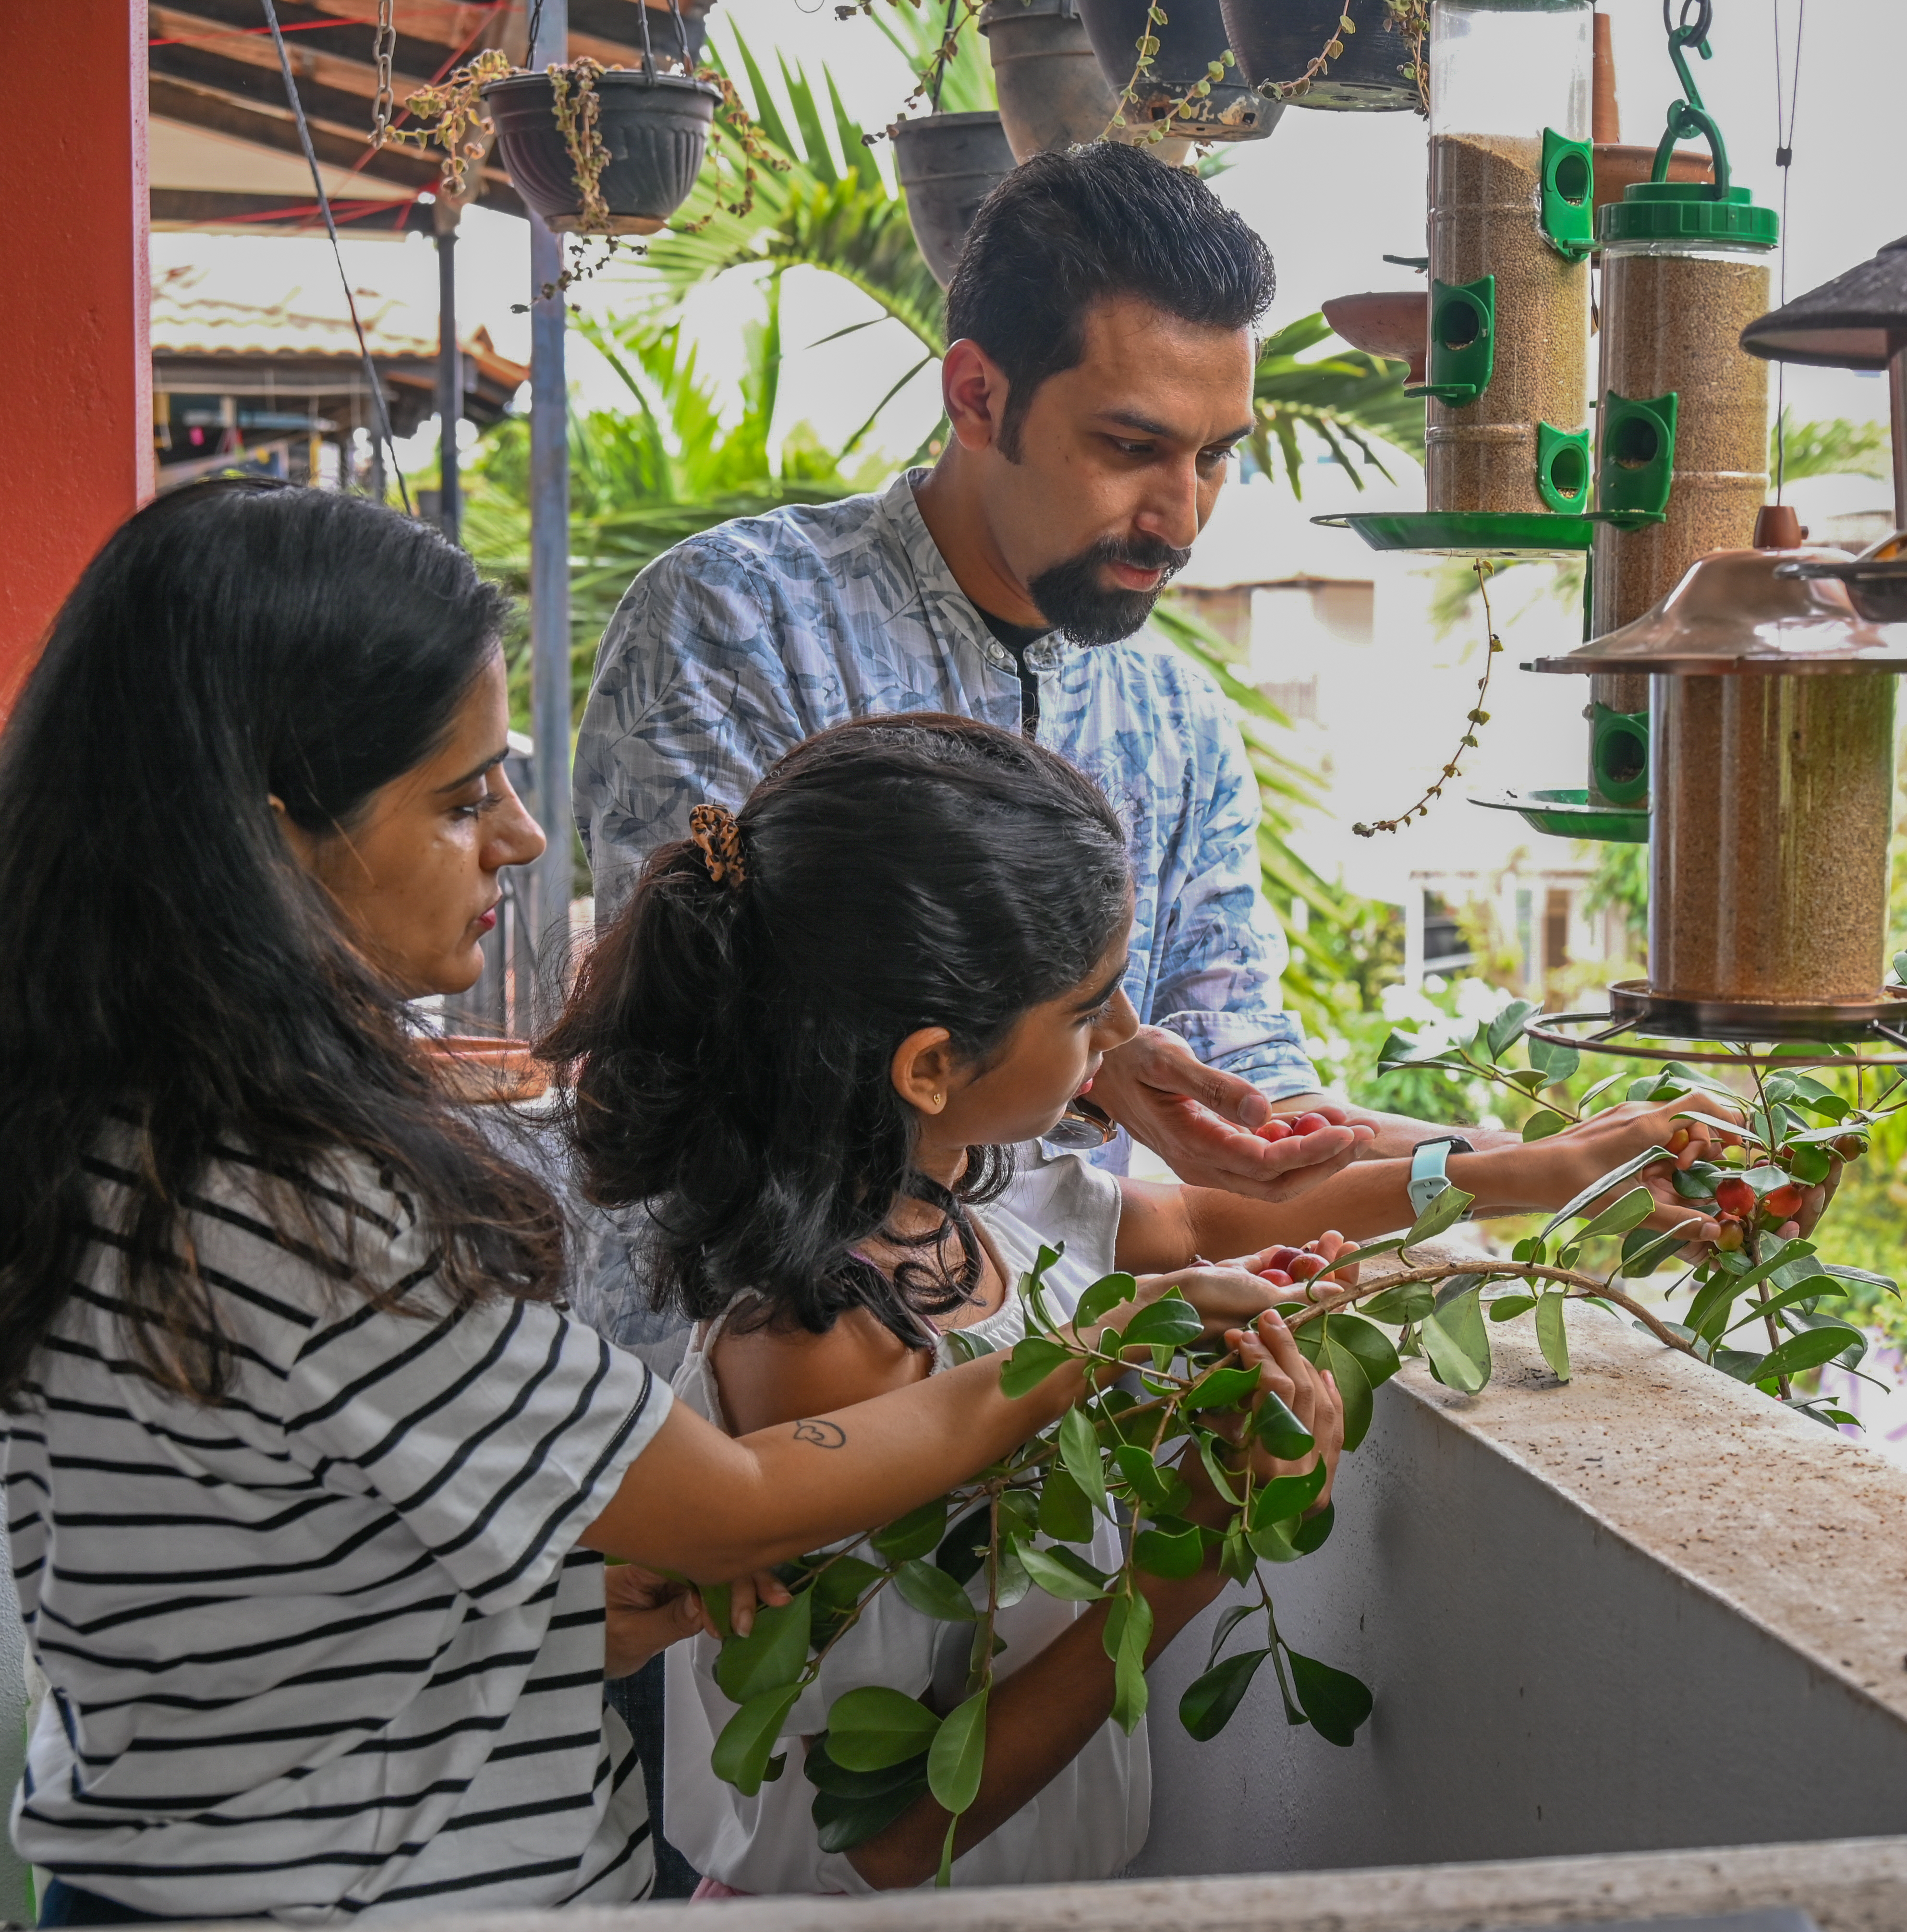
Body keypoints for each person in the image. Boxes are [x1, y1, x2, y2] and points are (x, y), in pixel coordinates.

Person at [0, 480, 1335, 1923]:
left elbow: (250, 1603)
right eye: (462, 798)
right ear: (280, 838)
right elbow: (739, 1508)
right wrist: (1104, 1359)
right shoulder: (286, 1198)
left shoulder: (123, 1137)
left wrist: (555, 1617)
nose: (519, 837)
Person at [542, 714, 1737, 1895]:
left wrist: (1527, 1170)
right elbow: (895, 1834)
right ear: (928, 1066)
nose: (1123, 1037)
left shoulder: (969, 1189)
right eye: (1086, 1009)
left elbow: (1218, 1220)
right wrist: (1196, 1554)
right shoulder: (820, 1344)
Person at [576, 140, 1466, 1212]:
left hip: (1083, 1361)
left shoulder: (1174, 718)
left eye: (1216, 454)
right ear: (977, 397)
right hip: (760, 1357)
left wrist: (1530, 1163)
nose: (1181, 517)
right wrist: (1095, 1078)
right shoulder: (738, 619)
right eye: (1132, 447)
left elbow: (1231, 1051)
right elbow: (706, 1043)